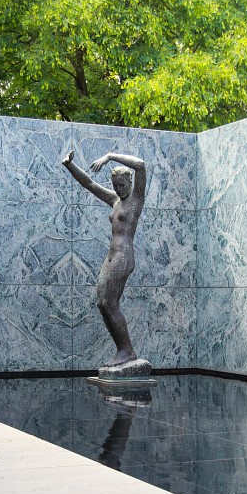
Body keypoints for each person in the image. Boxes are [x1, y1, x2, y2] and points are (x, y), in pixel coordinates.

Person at [62, 150, 146, 367]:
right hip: (111, 257)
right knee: (102, 303)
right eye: (116, 186)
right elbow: (89, 184)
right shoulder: (115, 200)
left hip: (123, 256)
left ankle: (127, 351)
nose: (119, 189)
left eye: (122, 185)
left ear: (130, 182)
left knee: (110, 302)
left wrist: (109, 156)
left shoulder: (136, 199)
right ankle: (122, 350)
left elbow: (140, 164)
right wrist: (69, 165)